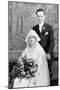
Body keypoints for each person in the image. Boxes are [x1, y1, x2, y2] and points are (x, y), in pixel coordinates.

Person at [32, 8, 54, 76]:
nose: (40, 18)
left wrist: (49, 53)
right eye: (38, 16)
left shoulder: (49, 27)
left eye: (41, 16)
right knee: (37, 74)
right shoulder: (34, 28)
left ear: (44, 17)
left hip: (47, 55)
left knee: (48, 74)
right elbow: (32, 42)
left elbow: (52, 42)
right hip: (37, 56)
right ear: (36, 17)